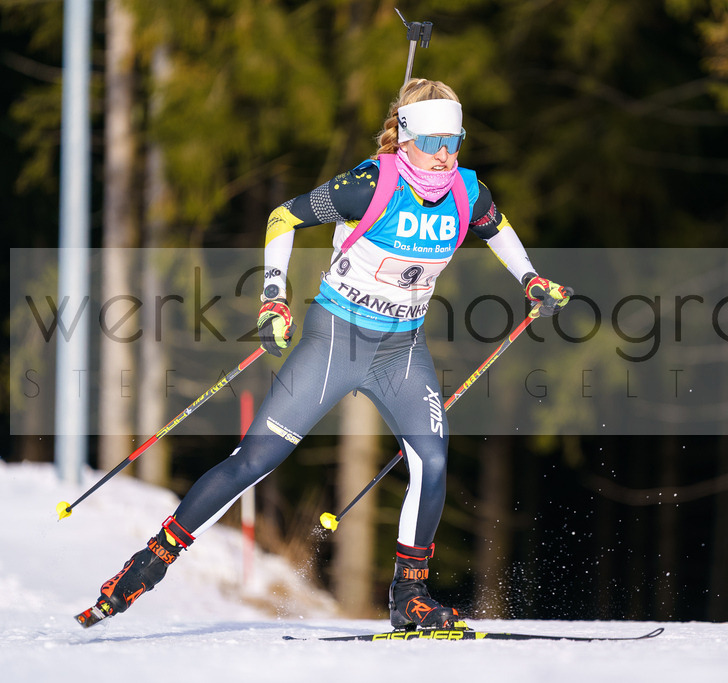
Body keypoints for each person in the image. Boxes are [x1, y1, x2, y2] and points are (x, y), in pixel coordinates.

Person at [89, 78, 571, 630]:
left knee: (432, 462)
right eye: (432, 141)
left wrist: (531, 279)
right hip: (336, 339)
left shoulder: (468, 192)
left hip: (401, 350)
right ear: (406, 137)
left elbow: (496, 228)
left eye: (453, 140)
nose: (444, 154)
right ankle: (148, 563)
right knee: (256, 460)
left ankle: (409, 597)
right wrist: (273, 298)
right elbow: (282, 216)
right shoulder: (369, 185)